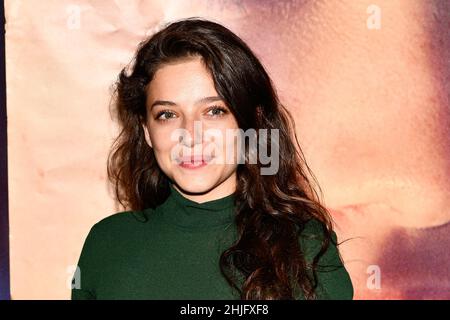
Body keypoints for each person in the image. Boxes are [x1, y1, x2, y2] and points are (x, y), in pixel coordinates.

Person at [71, 17, 353, 300]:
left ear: (248, 123)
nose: (190, 135)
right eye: (167, 115)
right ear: (147, 132)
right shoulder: (108, 244)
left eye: (214, 111)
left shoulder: (304, 245)